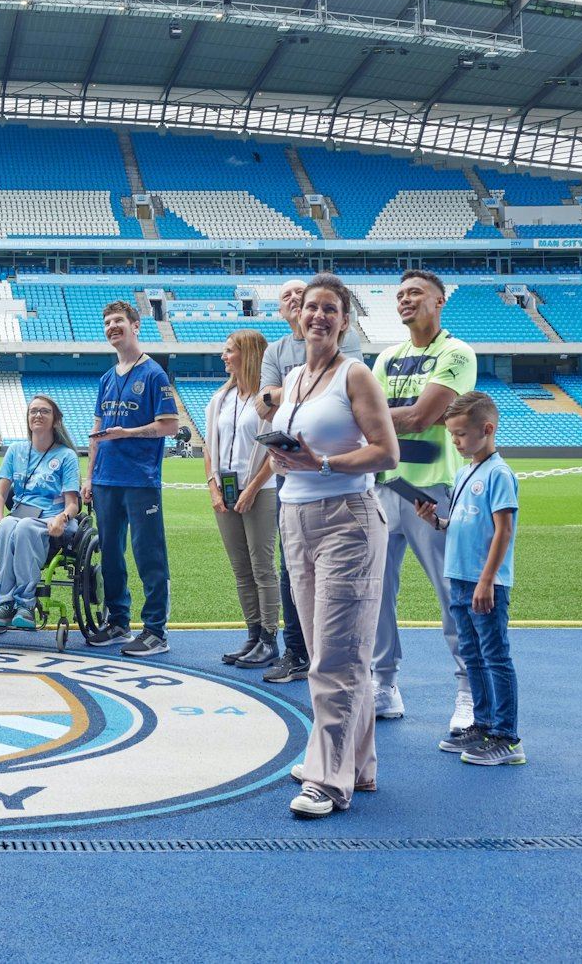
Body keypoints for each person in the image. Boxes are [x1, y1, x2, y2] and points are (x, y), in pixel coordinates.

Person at [264, 273, 399, 819]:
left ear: (344, 322)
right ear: (298, 318)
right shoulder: (294, 377)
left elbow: (386, 453)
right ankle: (356, 764)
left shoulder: (356, 375)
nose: (317, 316)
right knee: (328, 651)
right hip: (295, 517)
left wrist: (322, 463)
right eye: (311, 308)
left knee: (338, 655)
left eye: (330, 309)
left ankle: (327, 778)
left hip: (348, 519)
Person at [371, 269, 478, 730]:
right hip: (383, 487)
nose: (405, 300)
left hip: (432, 491)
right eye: (400, 295)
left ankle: (469, 692)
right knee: (375, 593)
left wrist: (372, 418)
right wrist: (368, 418)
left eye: (415, 293)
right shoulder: (387, 357)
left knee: (452, 594)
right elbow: (369, 415)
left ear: (439, 302)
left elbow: (421, 416)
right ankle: (384, 683)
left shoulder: (456, 353)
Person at [256, 277, 364, 683]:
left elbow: (276, 397)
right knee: (293, 570)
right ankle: (298, 653)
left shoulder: (347, 365)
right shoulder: (282, 355)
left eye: (322, 306)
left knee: (338, 599)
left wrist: (319, 462)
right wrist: (282, 395)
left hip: (340, 495)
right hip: (294, 487)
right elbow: (262, 402)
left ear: (343, 321)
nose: (307, 308)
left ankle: (343, 672)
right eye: (295, 301)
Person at [417, 391, 524, 766]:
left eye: (461, 434)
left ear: (488, 429)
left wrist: (486, 580)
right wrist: (435, 522)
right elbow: (463, 525)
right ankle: (482, 724)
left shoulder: (499, 474)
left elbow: (503, 531)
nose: (456, 442)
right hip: (459, 576)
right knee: (473, 654)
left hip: (483, 581)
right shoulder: (464, 472)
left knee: (495, 655)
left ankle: (507, 737)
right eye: (452, 435)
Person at [81, 300, 179, 657]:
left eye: (118, 321)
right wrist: (89, 476)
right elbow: (96, 431)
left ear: (135, 325)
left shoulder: (153, 374)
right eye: (107, 322)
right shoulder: (107, 378)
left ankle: (155, 631)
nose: (112, 327)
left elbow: (171, 425)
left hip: (140, 479)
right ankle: (118, 622)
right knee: (111, 555)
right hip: (106, 479)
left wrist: (127, 433)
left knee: (148, 554)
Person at [203, 330, 278, 668]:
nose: (224, 356)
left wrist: (250, 490)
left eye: (229, 350)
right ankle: (252, 634)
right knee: (241, 569)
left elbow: (275, 449)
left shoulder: (266, 399)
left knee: (262, 566)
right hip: (226, 492)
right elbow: (208, 446)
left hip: (260, 491)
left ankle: (269, 638)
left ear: (248, 354)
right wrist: (213, 487)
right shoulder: (221, 398)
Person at [0, 395, 81, 633]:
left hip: (51, 517)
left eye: (44, 411)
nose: (37, 415)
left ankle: (26, 604)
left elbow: (72, 504)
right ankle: (4, 603)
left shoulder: (66, 456)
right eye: (33, 411)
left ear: (55, 420)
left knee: (24, 526)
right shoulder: (16, 450)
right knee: (7, 526)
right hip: (19, 515)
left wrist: (61, 519)